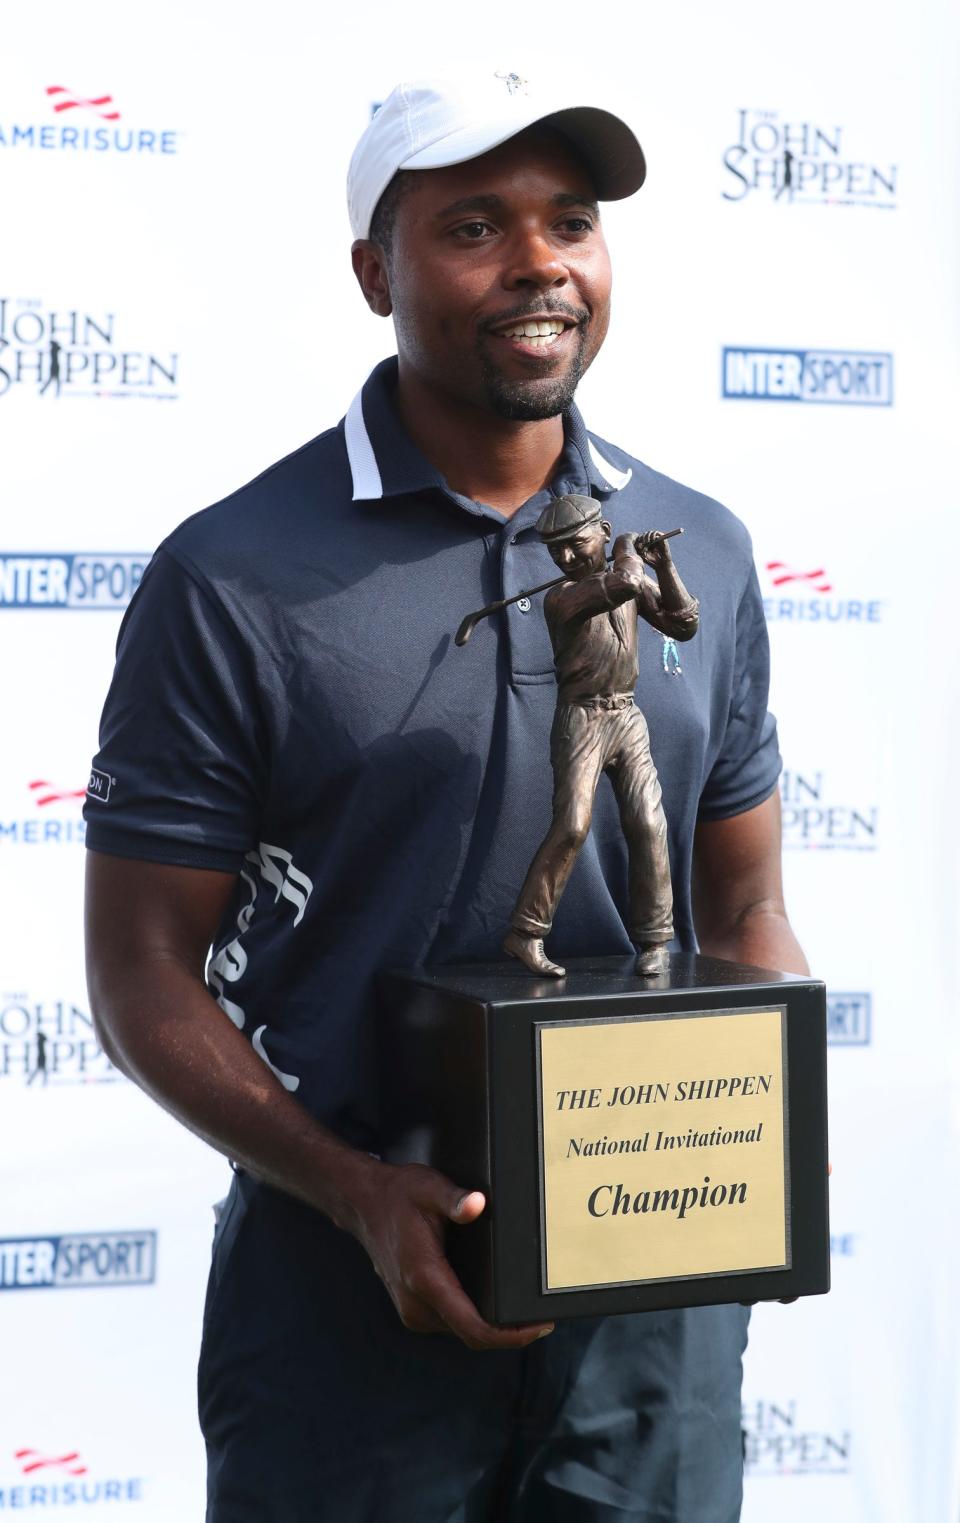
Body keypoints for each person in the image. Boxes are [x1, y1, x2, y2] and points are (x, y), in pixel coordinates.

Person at [84, 72, 808, 1523]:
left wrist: (762, 1129)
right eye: (475, 224)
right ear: (377, 271)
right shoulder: (235, 574)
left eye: (572, 221)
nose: (539, 259)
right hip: (349, 1295)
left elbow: (747, 901)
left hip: (655, 1302)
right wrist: (355, 1187)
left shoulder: (708, 551)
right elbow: (140, 971)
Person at [504, 497, 699, 978]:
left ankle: (654, 940)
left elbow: (684, 623)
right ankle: (525, 933)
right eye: (555, 550)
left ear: (602, 530)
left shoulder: (626, 578)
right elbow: (627, 580)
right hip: (582, 720)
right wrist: (631, 547)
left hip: (627, 717)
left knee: (648, 823)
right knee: (572, 824)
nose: (566, 558)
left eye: (575, 544)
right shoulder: (562, 597)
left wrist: (667, 566)